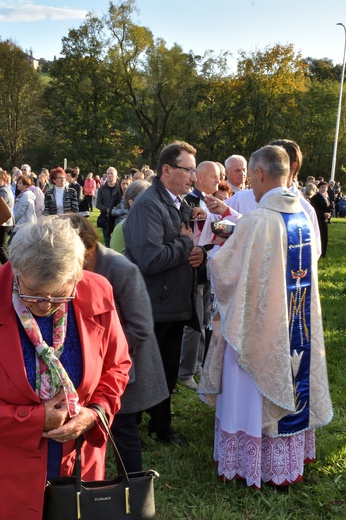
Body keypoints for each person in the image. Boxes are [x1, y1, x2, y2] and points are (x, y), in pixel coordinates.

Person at [199, 145, 332, 489]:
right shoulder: (301, 214)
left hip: (258, 331)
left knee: (250, 382)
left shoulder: (258, 220)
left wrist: (211, 253)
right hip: (293, 324)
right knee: (290, 374)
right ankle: (285, 460)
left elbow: (227, 273)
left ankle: (249, 463)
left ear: (258, 173)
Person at [0, 216, 131, 519]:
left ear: (76, 276)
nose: (46, 305)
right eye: (33, 293)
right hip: (10, 470)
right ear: (16, 272)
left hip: (79, 463)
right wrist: (32, 420)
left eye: (59, 295)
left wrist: (95, 412)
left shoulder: (96, 290)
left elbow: (117, 365)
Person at [61, 213, 169, 472]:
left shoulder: (121, 269)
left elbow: (141, 327)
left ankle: (133, 492)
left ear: (85, 248)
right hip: (96, 364)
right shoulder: (77, 269)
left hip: (128, 366)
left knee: (123, 428)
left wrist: (101, 354)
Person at [123, 140, 207, 444]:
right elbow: (151, 259)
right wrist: (186, 246)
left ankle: (160, 427)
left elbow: (183, 249)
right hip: (154, 305)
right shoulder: (149, 205)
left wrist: (198, 256)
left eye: (194, 171)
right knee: (147, 371)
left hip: (173, 302)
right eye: (188, 170)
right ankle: (129, 429)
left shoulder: (179, 204)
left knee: (167, 368)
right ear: (166, 169)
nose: (193, 177)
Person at [179, 161, 220, 390]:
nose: (217, 180)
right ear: (200, 177)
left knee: (204, 320)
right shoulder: (189, 202)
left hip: (208, 268)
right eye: (214, 176)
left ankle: (197, 366)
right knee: (194, 322)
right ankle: (185, 371)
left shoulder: (214, 202)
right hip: (193, 267)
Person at [110, 180, 150, 254]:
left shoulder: (155, 225)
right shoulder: (121, 229)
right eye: (147, 200)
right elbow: (120, 262)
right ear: (132, 203)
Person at [96, 167, 119, 246]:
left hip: (117, 217)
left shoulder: (119, 188)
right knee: (107, 241)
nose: (109, 175)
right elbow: (98, 204)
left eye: (111, 173)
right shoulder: (102, 189)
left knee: (117, 241)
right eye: (108, 173)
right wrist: (107, 210)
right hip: (105, 218)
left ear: (116, 175)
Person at [310, 181, 332, 258]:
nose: (324, 189)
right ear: (318, 188)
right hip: (318, 219)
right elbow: (314, 209)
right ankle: (317, 252)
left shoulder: (326, 196)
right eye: (322, 187)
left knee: (324, 236)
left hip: (325, 219)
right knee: (319, 236)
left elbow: (329, 206)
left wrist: (329, 213)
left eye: (325, 187)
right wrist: (323, 214)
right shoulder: (315, 197)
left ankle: (323, 253)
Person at [0, 170, 14, 263]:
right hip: (5, 222)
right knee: (2, 247)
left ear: (4, 180)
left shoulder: (3, 191)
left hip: (4, 222)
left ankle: (8, 268)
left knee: (0, 247)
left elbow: (1, 207)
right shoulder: (5, 189)